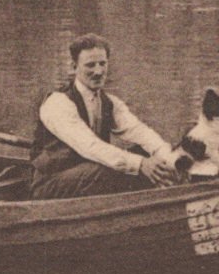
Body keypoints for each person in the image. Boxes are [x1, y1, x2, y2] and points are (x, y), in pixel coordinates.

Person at [30, 33, 177, 199]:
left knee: (144, 151)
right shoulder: (58, 104)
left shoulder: (110, 102)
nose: (98, 71)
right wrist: (141, 164)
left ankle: (165, 190)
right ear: (73, 67)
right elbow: (90, 146)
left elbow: (140, 132)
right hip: (50, 184)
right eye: (90, 65)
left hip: (86, 174)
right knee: (112, 168)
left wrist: (169, 161)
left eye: (102, 64)